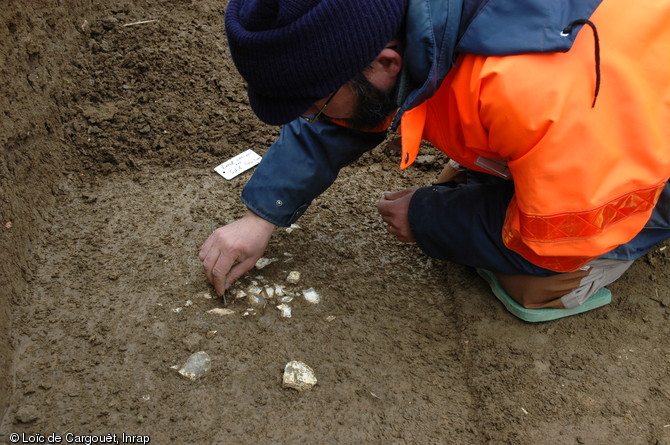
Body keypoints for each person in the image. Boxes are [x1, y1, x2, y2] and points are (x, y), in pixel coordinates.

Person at [199, 0, 670, 322]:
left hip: (624, 156)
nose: (311, 118)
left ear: (387, 63)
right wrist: (261, 215)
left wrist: (430, 218)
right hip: (592, 125)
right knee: (463, 178)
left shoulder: (534, 91)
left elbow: (562, 239)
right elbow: (353, 108)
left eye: (315, 104)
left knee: (531, 281)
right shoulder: (399, 22)